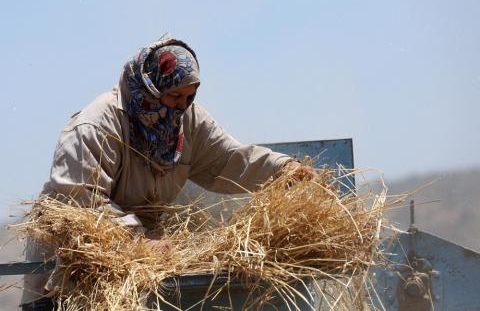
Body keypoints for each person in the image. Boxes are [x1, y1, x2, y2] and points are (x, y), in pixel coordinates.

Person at [21, 33, 313, 310]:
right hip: (65, 278)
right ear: (150, 87)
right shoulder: (96, 125)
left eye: (189, 97)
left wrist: (283, 170)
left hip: (134, 270)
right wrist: (139, 240)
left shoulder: (188, 122)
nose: (181, 107)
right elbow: (81, 202)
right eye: (174, 96)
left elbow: (228, 160)